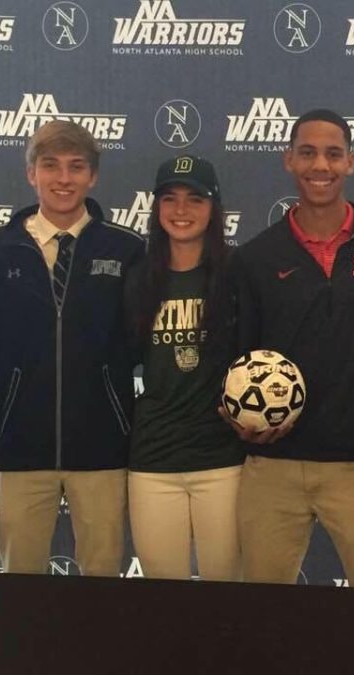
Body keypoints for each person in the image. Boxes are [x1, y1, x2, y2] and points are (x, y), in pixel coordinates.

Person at [228, 109, 354, 588]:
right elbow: (237, 356)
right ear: (288, 160)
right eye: (307, 153)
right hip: (272, 468)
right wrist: (234, 413)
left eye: (332, 154)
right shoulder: (255, 257)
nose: (319, 165)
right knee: (262, 618)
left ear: (351, 162)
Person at [0, 120, 145, 576]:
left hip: (103, 448)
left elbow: (140, 341)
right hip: (21, 447)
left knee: (102, 578)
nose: (63, 178)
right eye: (50, 166)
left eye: (76, 167)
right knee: (21, 581)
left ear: (93, 176)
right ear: (31, 173)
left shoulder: (128, 250)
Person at [124, 155, 243, 581]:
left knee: (227, 595)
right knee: (162, 598)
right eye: (170, 198)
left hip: (223, 460)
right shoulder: (138, 278)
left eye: (195, 199)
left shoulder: (238, 273)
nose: (181, 210)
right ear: (156, 209)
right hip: (154, 461)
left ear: (213, 208)